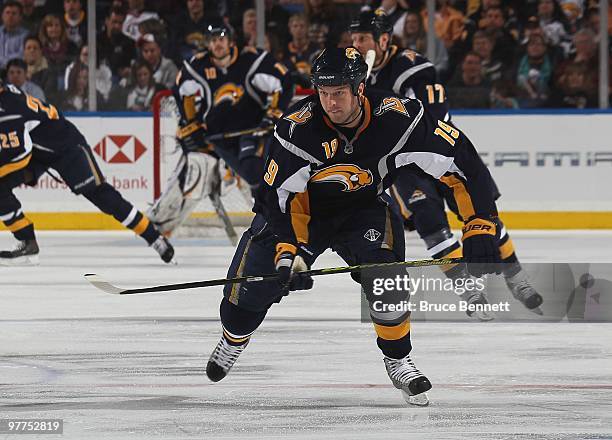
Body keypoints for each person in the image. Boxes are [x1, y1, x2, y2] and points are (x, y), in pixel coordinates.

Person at [205, 47, 504, 406]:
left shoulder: (399, 120)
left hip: (364, 209)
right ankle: (233, 339)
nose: (330, 103)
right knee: (247, 297)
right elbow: (278, 198)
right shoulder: (296, 130)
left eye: (339, 94)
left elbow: (459, 160)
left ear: (359, 88)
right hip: (302, 215)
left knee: (387, 277)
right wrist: (290, 253)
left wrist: (480, 222)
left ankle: (398, 359)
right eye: (324, 93)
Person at [350, 10, 543, 319]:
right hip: (407, 167)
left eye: (363, 39)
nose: (356, 45)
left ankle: (516, 278)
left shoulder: (411, 67)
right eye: (354, 39)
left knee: (481, 217)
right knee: (430, 224)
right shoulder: (358, 73)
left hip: (441, 155)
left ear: (384, 39)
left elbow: (429, 118)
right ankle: (467, 288)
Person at [0, 82, 175, 265]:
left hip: (67, 147)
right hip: (39, 150)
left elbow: (19, 154)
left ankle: (154, 238)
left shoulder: (7, 111)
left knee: (103, 196)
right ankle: (27, 243)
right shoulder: (7, 95)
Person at [148, 21, 293, 235]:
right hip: (216, 137)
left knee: (254, 172)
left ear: (231, 41)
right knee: (195, 171)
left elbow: (285, 81)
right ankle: (159, 223)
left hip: (251, 132)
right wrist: (191, 125)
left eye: (221, 39)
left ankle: (271, 220)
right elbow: (182, 91)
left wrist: (273, 113)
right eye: (213, 40)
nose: (217, 45)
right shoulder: (198, 66)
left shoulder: (251, 60)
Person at [0, 1, 29, 69]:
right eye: (7, 13)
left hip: (15, 72)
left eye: (14, 13)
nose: (10, 16)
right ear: (2, 16)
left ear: (20, 17)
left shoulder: (26, 35)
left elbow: (21, 56)